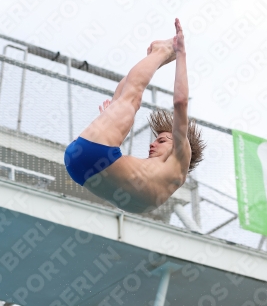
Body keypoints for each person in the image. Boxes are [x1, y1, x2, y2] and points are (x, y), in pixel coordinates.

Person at [64, 18, 205, 213]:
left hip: (90, 155)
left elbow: (181, 102)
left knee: (131, 99)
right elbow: (122, 177)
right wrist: (109, 116)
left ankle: (162, 52)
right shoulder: (161, 177)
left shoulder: (181, 158)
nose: (152, 144)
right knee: (122, 103)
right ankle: (153, 60)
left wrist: (181, 53)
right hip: (79, 168)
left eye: (162, 140)